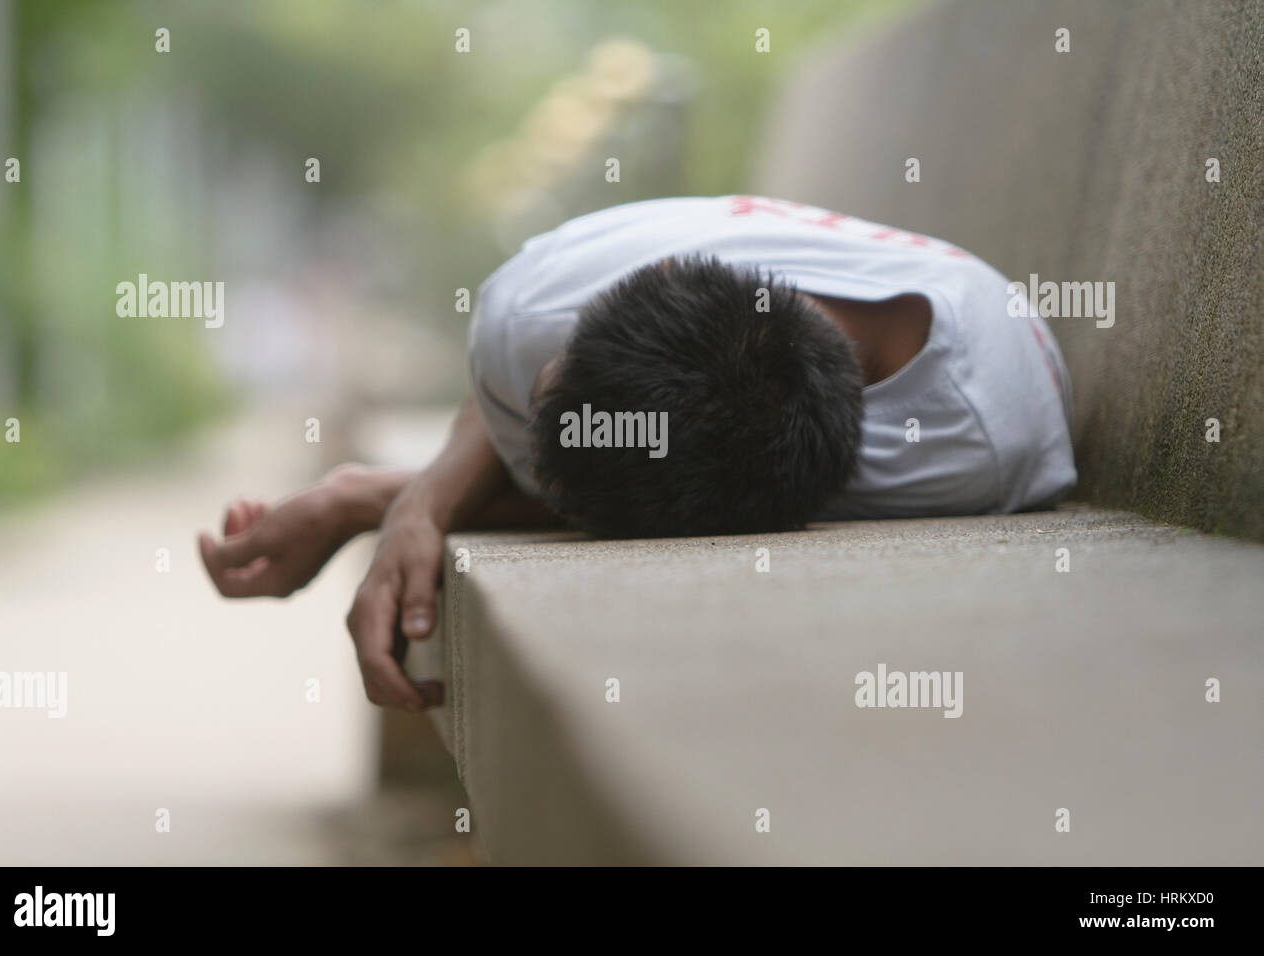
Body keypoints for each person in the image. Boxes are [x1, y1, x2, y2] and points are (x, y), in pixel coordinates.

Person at [198, 195, 1076, 711]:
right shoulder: (546, 298)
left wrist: (379, 504)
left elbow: (635, 489)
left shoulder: (971, 452)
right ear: (660, 276)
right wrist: (419, 503)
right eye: (558, 373)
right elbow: (537, 405)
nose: (532, 388)